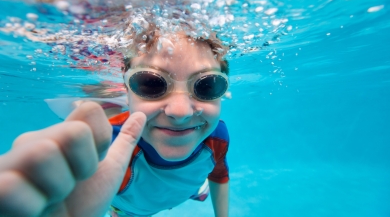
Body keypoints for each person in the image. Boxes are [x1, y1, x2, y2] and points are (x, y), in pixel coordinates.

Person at [0, 24, 230, 217]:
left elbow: (218, 174)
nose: (180, 112)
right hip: (128, 210)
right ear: (127, 88)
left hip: (180, 189)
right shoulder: (109, 150)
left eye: (207, 85)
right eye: (150, 83)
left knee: (196, 184)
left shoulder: (217, 136)